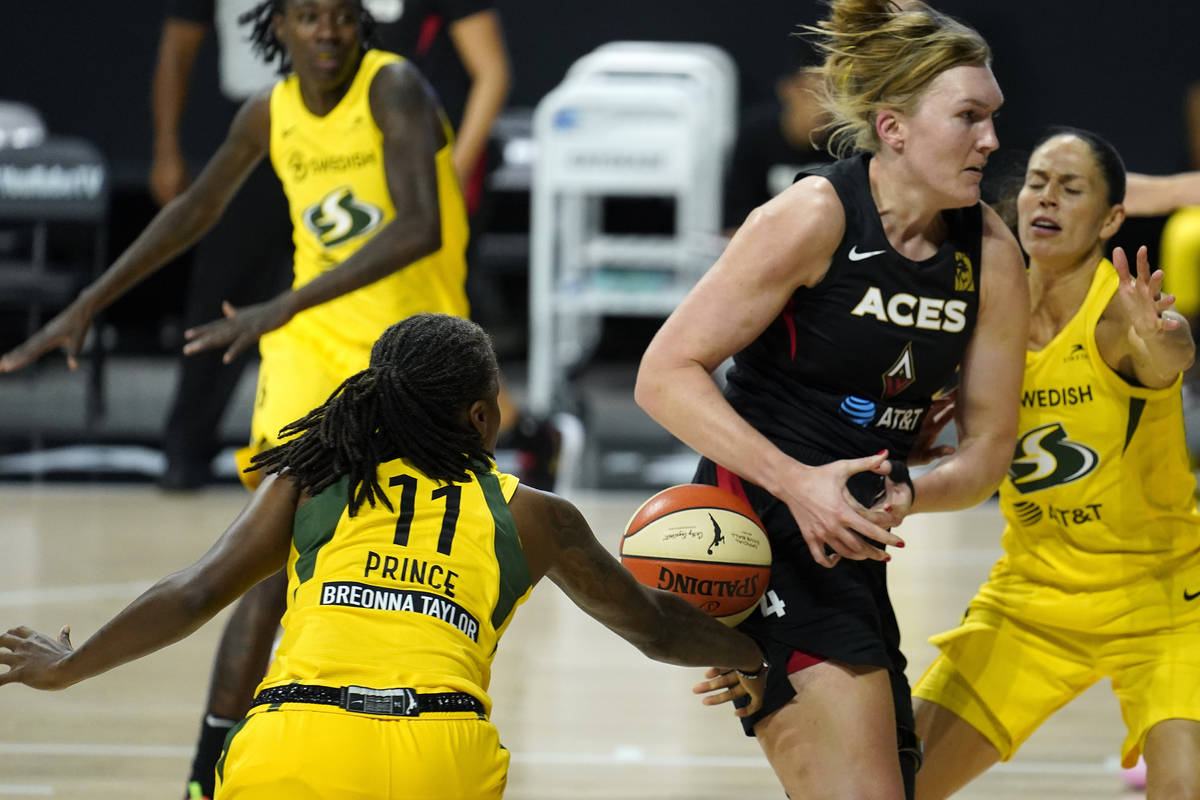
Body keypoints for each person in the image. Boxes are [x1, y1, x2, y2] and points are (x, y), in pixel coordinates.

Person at [0, 2, 485, 795]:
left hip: (415, 358)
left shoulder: (392, 87)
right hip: (309, 357)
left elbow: (420, 226)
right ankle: (207, 773)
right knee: (268, 563)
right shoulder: (271, 109)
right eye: (307, 17)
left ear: (362, 24)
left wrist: (283, 301)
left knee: (434, 562)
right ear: (275, 29)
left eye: (340, 16)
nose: (326, 32)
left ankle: (421, 732)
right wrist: (91, 299)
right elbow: (197, 208)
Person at [0, 312, 769, 799]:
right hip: (436, 753)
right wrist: (752, 653)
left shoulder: (311, 476)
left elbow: (197, 591)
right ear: (480, 415)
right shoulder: (536, 517)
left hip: (290, 745)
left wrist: (71, 665)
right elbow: (657, 627)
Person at [635, 1, 1030, 798]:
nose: (990, 140)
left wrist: (906, 492)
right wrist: (798, 484)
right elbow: (664, 373)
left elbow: (988, 456)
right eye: (968, 118)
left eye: (993, 119)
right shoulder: (813, 216)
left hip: (847, 542)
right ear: (893, 128)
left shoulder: (989, 253)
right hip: (763, 522)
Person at [909, 129, 1200, 800]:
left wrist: (1169, 340)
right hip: (1032, 601)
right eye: (1038, 182)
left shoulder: (1120, 318)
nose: (1047, 198)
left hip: (1158, 602)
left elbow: (1167, 356)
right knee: (894, 782)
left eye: (1071, 190)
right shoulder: (983, 310)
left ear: (1110, 221)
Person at [150, 0, 295, 490]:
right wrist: (166, 147)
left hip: (337, 127)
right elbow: (177, 50)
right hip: (254, 123)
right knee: (221, 295)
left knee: (335, 293)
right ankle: (186, 444)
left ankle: (336, 445)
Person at [722, 40, 833, 236]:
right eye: (813, 93)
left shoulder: (848, 144)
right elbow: (734, 223)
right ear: (787, 90)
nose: (823, 106)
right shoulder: (755, 136)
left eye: (832, 95)